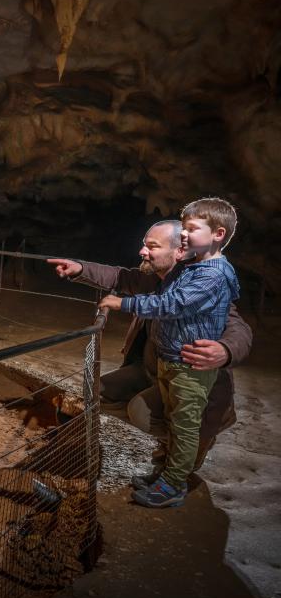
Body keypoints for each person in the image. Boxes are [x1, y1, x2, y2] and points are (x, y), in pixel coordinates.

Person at [48, 215, 252, 497]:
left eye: (152, 246)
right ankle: (171, 435)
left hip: (188, 379)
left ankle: (181, 449)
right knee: (97, 392)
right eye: (144, 245)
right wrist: (79, 268)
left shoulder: (202, 285)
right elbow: (120, 276)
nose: (142, 252)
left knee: (145, 413)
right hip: (151, 369)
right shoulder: (154, 279)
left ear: (179, 251)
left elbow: (237, 326)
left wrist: (226, 350)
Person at [97, 198, 241, 507]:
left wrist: (122, 304)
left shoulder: (211, 276)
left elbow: (169, 305)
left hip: (190, 368)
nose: (185, 235)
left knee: (184, 425)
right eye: (184, 228)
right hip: (171, 362)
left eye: (191, 229)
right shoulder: (193, 269)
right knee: (176, 421)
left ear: (217, 234)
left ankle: (173, 484)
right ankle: (165, 471)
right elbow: (133, 279)